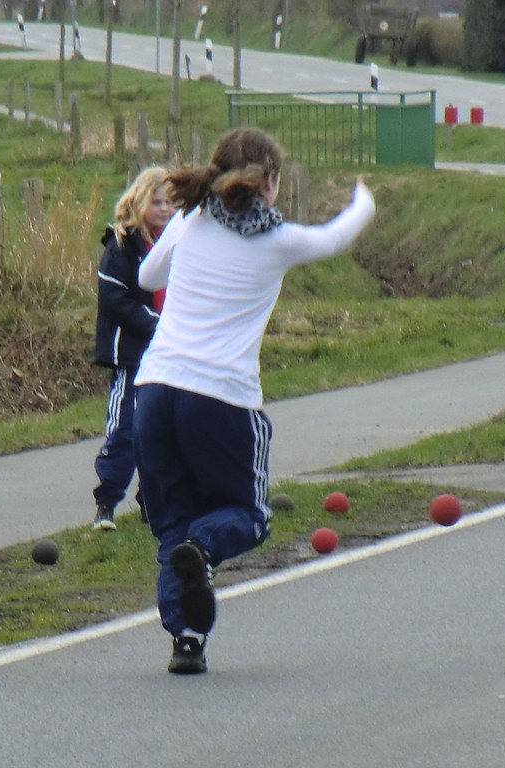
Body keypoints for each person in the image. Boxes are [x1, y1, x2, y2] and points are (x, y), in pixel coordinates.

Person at [132, 126, 376, 674]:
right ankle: (203, 549)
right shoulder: (277, 239)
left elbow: (148, 276)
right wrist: (364, 198)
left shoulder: (190, 220)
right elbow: (336, 238)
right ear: (270, 183)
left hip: (154, 390)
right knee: (247, 514)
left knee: (174, 527)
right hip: (220, 398)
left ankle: (187, 640)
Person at [91, 166, 174, 531]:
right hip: (132, 356)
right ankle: (107, 502)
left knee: (164, 430)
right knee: (126, 430)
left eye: (169, 202)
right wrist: (156, 324)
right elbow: (114, 298)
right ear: (138, 203)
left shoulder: (178, 242)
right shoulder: (121, 244)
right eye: (156, 202)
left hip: (171, 355)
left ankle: (151, 501)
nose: (164, 209)